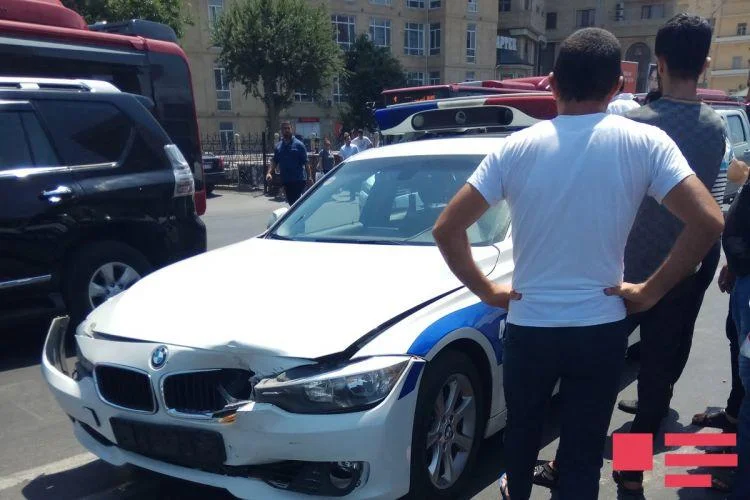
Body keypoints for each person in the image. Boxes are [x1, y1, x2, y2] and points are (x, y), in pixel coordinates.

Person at [432, 27, 723, 500]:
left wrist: (489, 292)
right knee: (583, 457)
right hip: (601, 325)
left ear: (551, 82)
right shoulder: (646, 141)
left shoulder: (516, 147)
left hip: (531, 324)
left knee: (521, 442)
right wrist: (650, 290)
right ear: (618, 86)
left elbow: (447, 228)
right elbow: (708, 222)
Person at [606, 14, 726, 494]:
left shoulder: (632, 124)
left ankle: (576, 452)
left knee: (600, 368)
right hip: (678, 274)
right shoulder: (715, 126)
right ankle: (631, 469)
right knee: (655, 379)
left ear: (658, 63)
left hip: (622, 272)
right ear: (706, 65)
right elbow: (710, 203)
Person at [266, 121, 311, 206]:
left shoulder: (299, 145)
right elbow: (274, 161)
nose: (286, 130)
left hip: (298, 180)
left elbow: (306, 162)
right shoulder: (278, 146)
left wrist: (310, 177)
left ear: (291, 129)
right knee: (292, 203)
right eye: (284, 128)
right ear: (281, 131)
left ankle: (299, 218)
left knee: (296, 204)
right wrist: (269, 173)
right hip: (286, 181)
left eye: (288, 128)